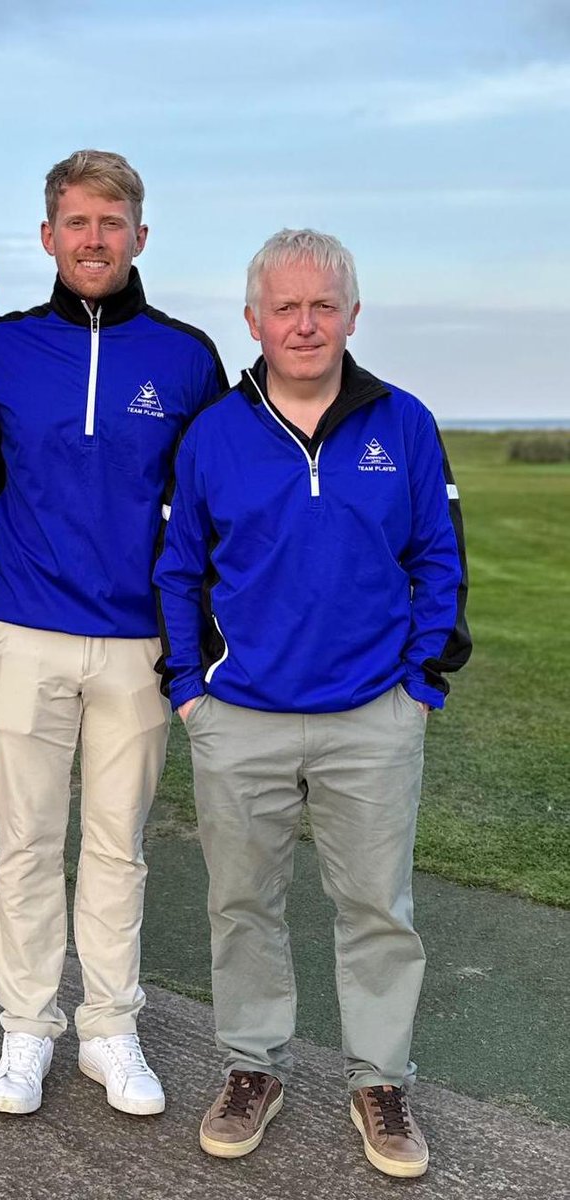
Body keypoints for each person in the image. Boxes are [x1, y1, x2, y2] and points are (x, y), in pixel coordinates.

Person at [154, 229, 470, 1177]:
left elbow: (438, 560)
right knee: (242, 902)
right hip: (239, 714)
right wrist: (187, 689)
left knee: (376, 906)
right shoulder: (214, 431)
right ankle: (255, 1065)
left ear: (351, 316)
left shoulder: (403, 424)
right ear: (253, 320)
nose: (304, 323)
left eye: (321, 306)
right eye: (284, 307)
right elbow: (179, 568)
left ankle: (379, 1079)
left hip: (373, 715)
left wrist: (418, 686)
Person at [0, 151, 227, 1117]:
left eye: (111, 223)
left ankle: (108, 1030)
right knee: (27, 843)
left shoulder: (186, 357)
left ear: (139, 237)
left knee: (118, 846)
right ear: (48, 235)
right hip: (24, 629)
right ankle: (26, 1031)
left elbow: (217, 499)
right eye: (75, 222)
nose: (93, 239)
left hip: (138, 643)